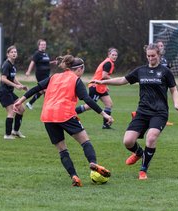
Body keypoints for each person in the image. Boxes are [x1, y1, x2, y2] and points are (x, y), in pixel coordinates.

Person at [13, 55, 113, 187]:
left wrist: (20, 101)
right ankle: (93, 162)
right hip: (65, 115)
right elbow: (88, 100)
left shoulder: (54, 77)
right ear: (80, 69)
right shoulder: (76, 80)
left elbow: (36, 88)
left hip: (48, 116)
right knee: (85, 142)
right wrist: (104, 114)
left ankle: (74, 176)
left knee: (62, 150)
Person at [91, 43, 178, 180]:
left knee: (151, 138)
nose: (151, 58)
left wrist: (176, 103)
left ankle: (143, 170)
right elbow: (123, 80)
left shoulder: (165, 72)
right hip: (142, 112)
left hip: (159, 112)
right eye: (148, 56)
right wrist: (102, 82)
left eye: (153, 56)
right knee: (128, 141)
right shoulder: (141, 70)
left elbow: (174, 89)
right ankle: (139, 153)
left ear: (158, 55)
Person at [76, 48, 118, 129]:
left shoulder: (109, 62)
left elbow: (101, 76)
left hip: (101, 86)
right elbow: (104, 76)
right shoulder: (108, 63)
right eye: (113, 55)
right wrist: (113, 80)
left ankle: (106, 125)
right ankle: (72, 113)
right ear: (109, 55)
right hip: (95, 86)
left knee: (109, 104)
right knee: (89, 106)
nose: (114, 56)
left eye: (116, 55)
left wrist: (106, 85)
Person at [0, 45, 28, 140]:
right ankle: (7, 135)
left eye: (15, 52)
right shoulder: (6, 64)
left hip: (9, 92)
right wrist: (16, 86)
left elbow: (13, 77)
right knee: (11, 112)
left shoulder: (12, 65)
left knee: (21, 109)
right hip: (4, 92)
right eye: (12, 52)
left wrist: (21, 85)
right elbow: (3, 79)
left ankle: (15, 131)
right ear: (8, 54)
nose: (14, 53)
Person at [25, 39, 57, 110]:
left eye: (44, 45)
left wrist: (52, 62)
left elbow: (46, 62)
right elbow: (32, 62)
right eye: (42, 45)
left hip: (46, 74)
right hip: (40, 74)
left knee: (42, 90)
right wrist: (28, 71)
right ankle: (48, 106)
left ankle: (30, 103)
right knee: (46, 89)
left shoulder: (45, 54)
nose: (43, 46)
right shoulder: (37, 54)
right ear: (39, 46)